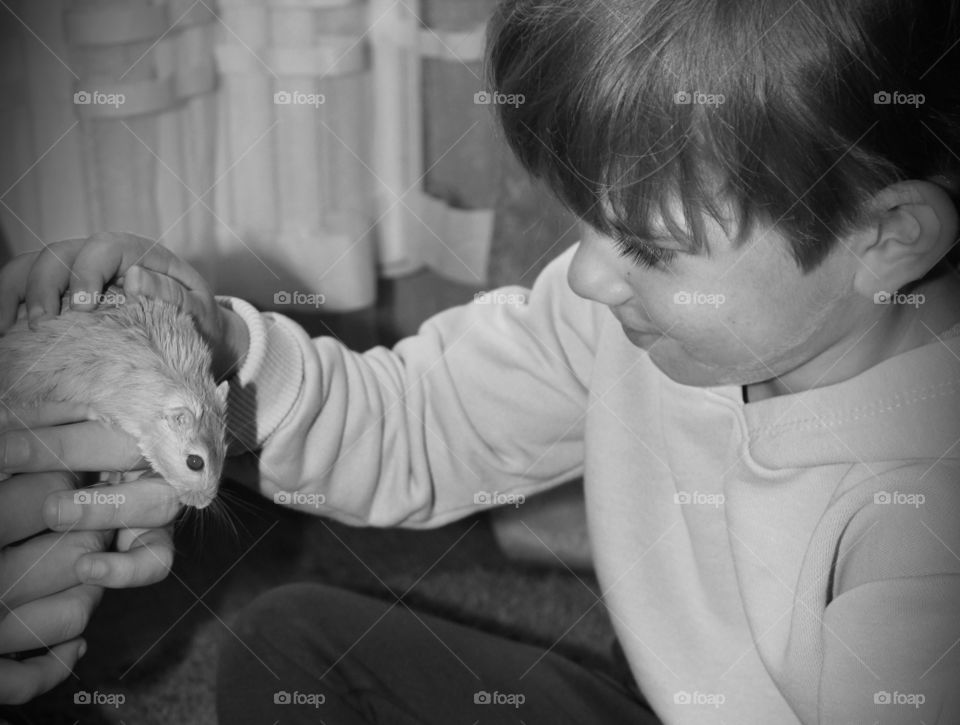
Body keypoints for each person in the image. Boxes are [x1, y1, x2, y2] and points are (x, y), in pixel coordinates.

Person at [3, 0, 960, 721]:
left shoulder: (916, 546)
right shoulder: (625, 316)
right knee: (285, 643)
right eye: (581, 218)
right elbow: (424, 424)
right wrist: (221, 349)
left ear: (889, 238)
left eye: (649, 246)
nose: (585, 274)